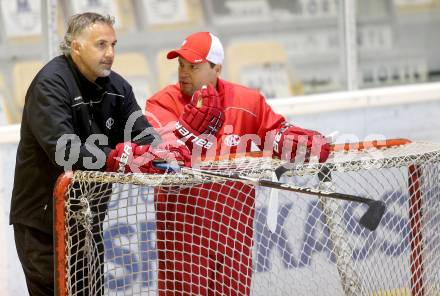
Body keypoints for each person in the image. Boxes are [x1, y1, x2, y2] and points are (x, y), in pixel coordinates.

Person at [9, 12, 188, 296]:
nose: (110, 53)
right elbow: (63, 149)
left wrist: (163, 151)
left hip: (87, 222)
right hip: (43, 225)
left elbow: (142, 134)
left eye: (113, 45)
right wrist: (116, 157)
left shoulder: (117, 87)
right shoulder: (51, 83)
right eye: (101, 44)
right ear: (76, 46)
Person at [146, 31, 331, 295]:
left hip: (233, 230)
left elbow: (274, 132)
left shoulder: (247, 101)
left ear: (216, 68)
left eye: (194, 67)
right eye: (181, 65)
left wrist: (294, 141)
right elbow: (162, 147)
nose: (184, 73)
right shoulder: (162, 101)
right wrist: (189, 130)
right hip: (183, 234)